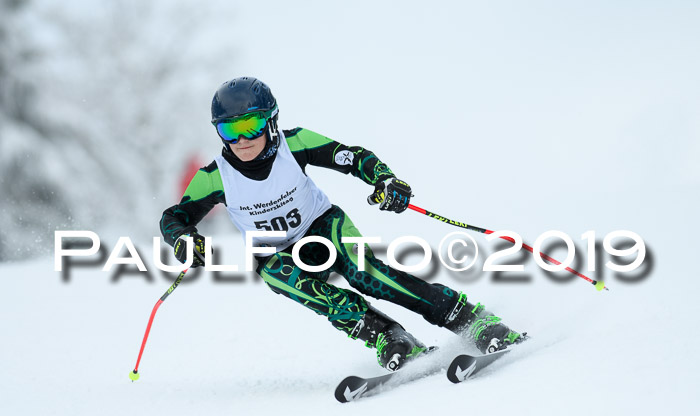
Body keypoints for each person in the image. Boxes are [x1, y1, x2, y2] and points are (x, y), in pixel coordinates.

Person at [160, 77, 524, 371]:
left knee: (368, 275)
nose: (242, 140)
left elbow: (352, 157)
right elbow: (175, 218)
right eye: (229, 131)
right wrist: (183, 240)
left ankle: (470, 319)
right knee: (286, 279)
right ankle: (388, 336)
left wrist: (384, 180)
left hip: (323, 226)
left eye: (251, 126)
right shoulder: (214, 177)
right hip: (274, 252)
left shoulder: (295, 143)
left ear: (271, 121)